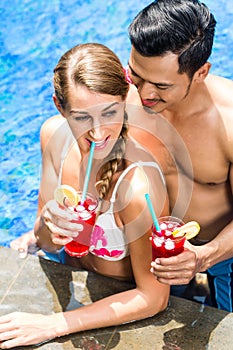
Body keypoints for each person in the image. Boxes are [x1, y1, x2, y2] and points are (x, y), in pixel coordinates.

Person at [0, 43, 169, 349]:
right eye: (81, 118)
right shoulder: (53, 136)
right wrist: (43, 228)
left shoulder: (136, 184)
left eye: (109, 113)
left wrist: (55, 325)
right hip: (73, 270)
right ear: (59, 107)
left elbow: (154, 297)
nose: (98, 132)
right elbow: (48, 239)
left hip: (121, 298)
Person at [127, 0, 233, 311]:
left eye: (161, 85)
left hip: (222, 251)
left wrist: (204, 256)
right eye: (137, 75)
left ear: (200, 72)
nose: (145, 94)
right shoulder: (123, 92)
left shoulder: (228, 124)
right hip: (158, 248)